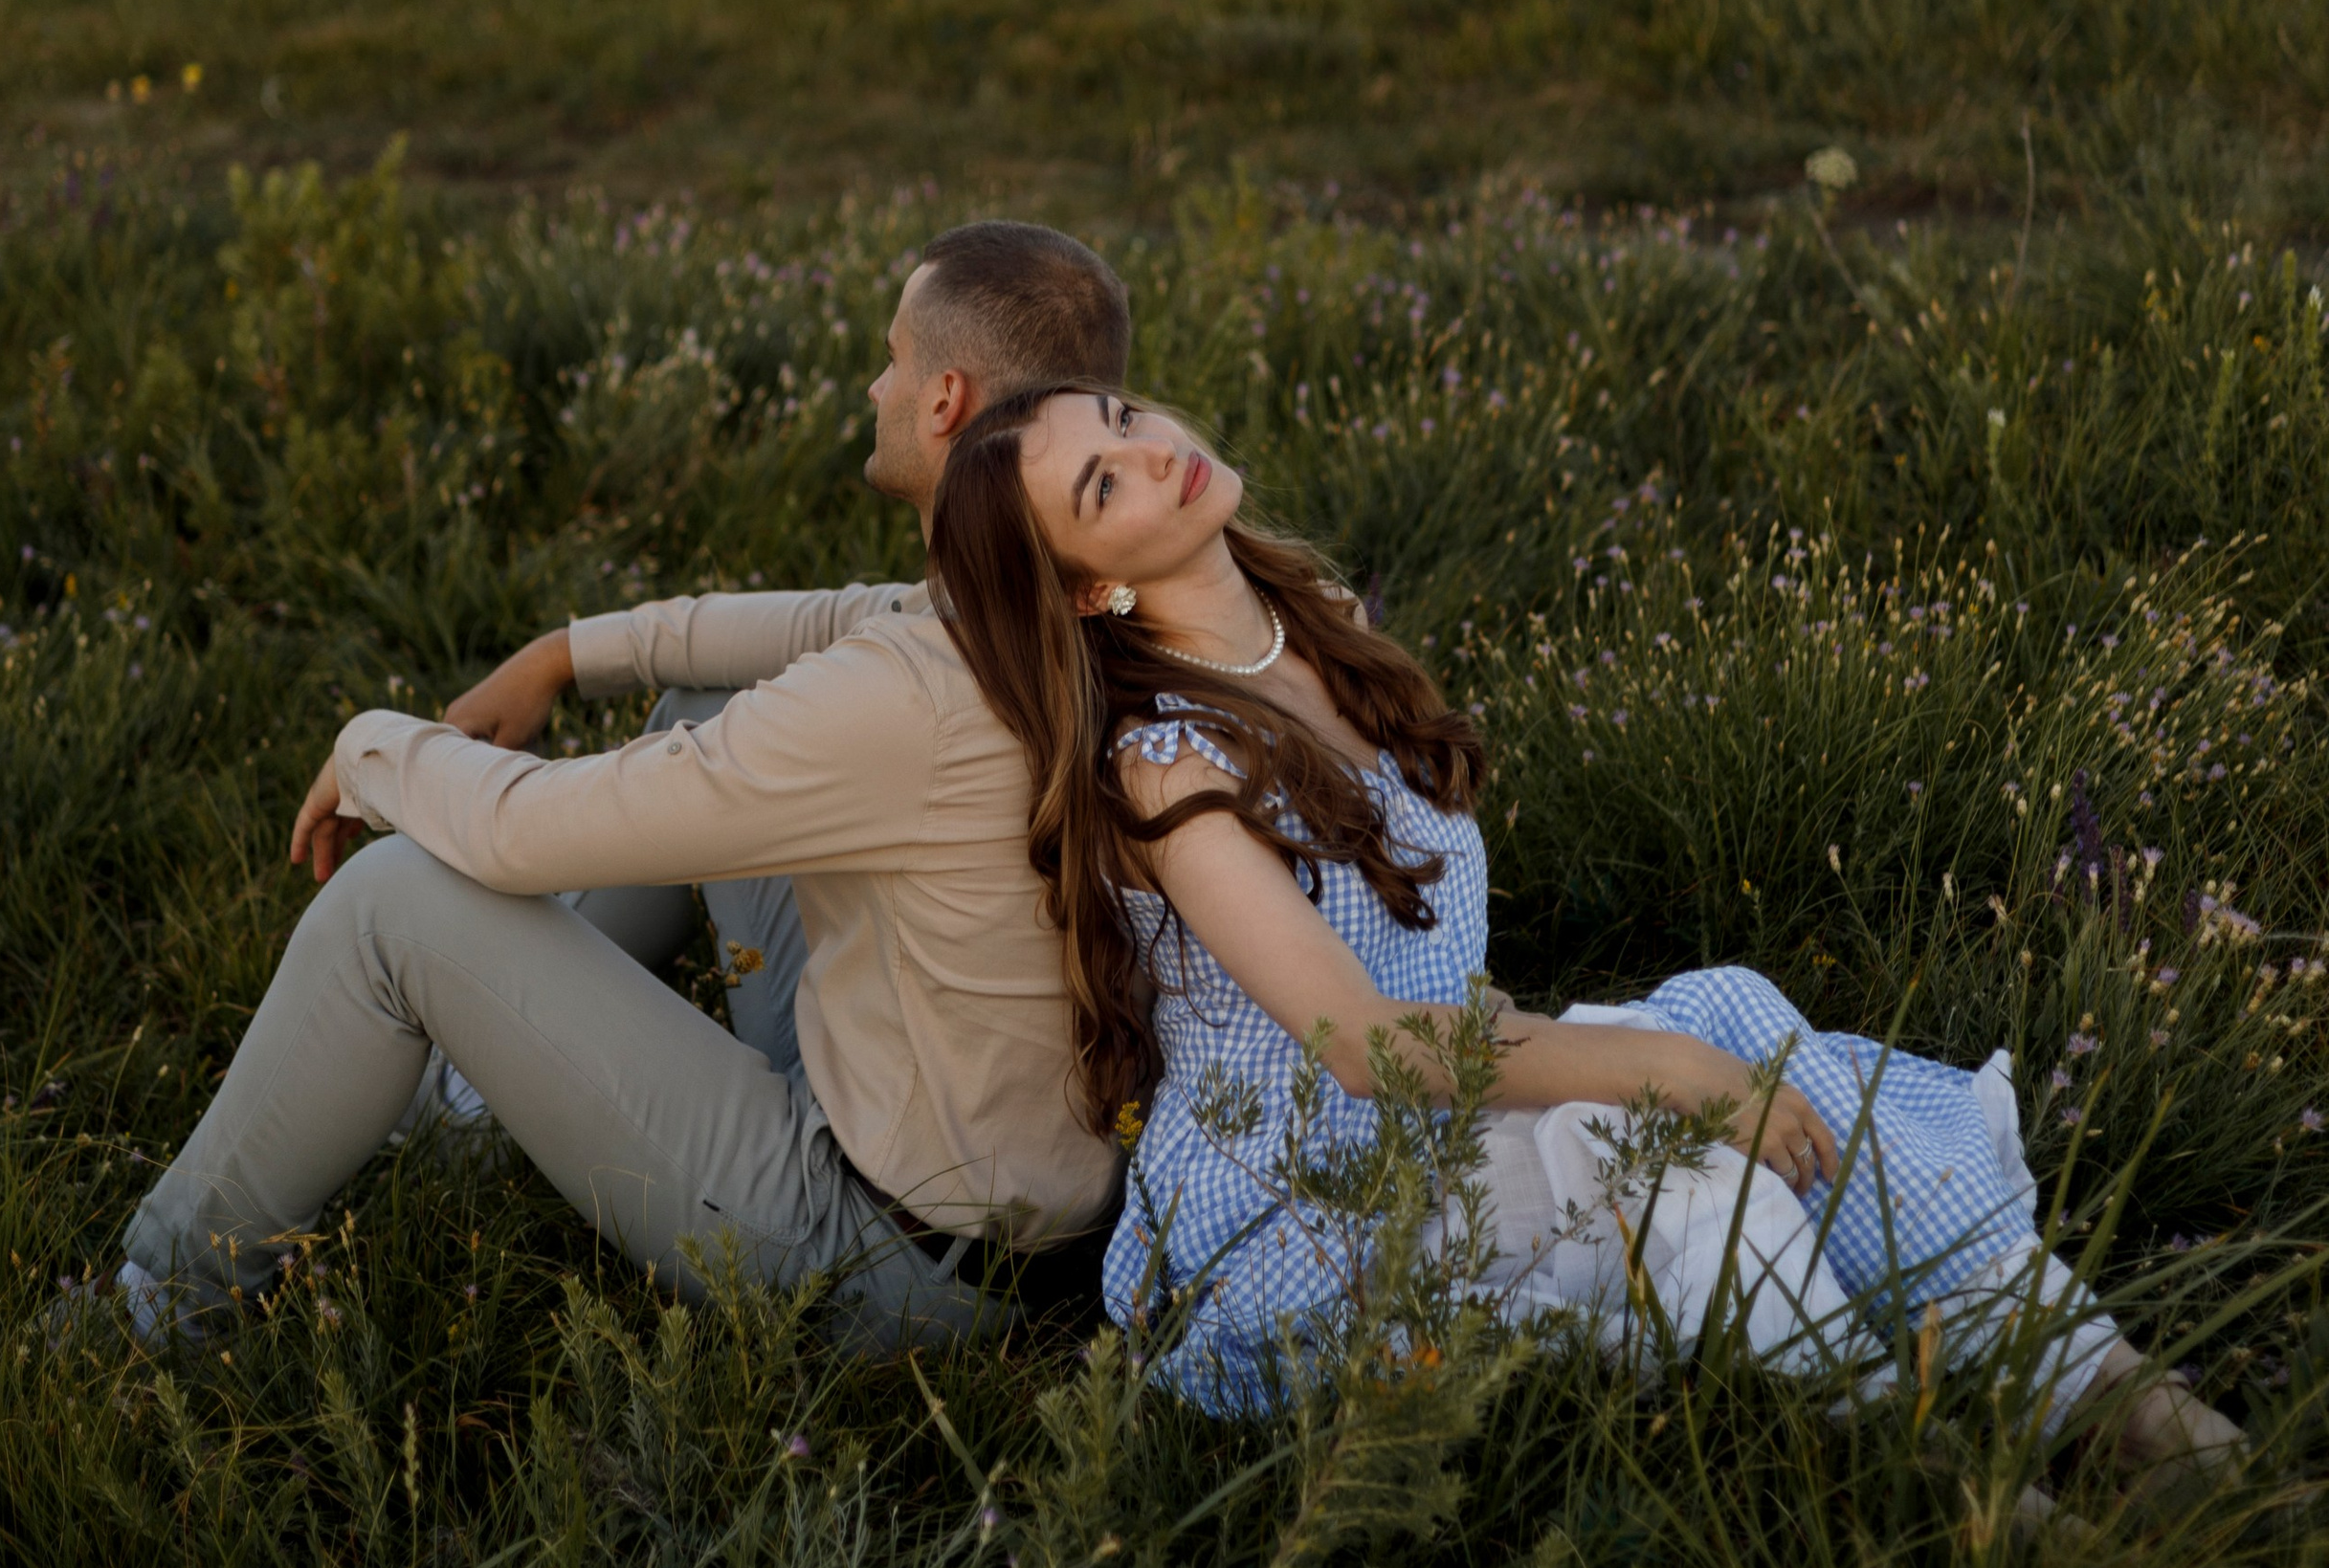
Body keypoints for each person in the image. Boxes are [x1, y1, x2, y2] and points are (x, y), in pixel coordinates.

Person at [924, 381, 2245, 1491]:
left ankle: (2119, 1398)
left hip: (1433, 1118)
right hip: (1307, 1214)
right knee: (1691, 1152)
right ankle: (1932, 1485)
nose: (1156, 448)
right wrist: (1658, 1071)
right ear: (1089, 590)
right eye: (1104, 485)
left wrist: (1665, 1059)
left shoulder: (1315, 625)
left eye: (1125, 417)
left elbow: (1441, 977)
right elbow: (1365, 1046)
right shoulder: (1167, 765)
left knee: (1731, 1015)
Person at [97, 220, 1134, 1355]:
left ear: (943, 401)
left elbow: (522, 833)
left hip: (873, 1257)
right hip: (988, 1195)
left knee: (392, 906)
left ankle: (157, 1305)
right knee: (705, 705)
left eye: (890, 359)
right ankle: (481, 1098)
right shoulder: (1061, 601)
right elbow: (831, 617)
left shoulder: (904, 698)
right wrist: (562, 654)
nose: (871, 385)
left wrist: (371, 750)